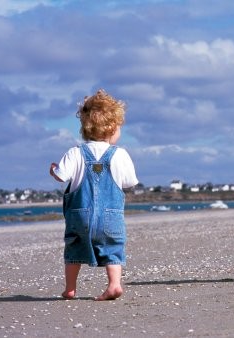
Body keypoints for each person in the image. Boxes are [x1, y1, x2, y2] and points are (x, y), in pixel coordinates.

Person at [50, 89, 139, 300]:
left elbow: (61, 176)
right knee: (113, 248)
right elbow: (129, 182)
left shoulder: (75, 153)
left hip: (80, 215)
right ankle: (114, 284)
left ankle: (70, 288)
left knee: (74, 249)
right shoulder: (120, 154)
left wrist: (53, 170)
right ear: (113, 128)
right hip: (111, 216)